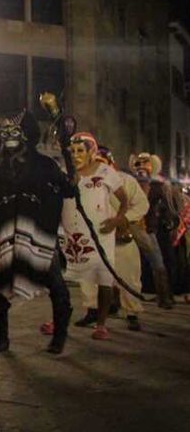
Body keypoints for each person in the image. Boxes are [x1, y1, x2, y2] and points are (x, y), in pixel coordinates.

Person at [0, 110, 74, 354]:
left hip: (39, 233)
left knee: (55, 284)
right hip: (6, 235)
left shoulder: (45, 164)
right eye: (5, 134)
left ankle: (59, 337)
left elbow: (68, 190)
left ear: (25, 136)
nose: (10, 138)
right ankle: (1, 339)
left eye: (15, 132)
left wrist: (66, 174)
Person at [60, 133, 129, 340]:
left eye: (80, 151)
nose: (75, 155)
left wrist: (118, 219)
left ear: (91, 152)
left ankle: (101, 324)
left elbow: (124, 201)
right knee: (62, 278)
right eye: (72, 151)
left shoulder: (105, 171)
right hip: (72, 234)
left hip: (101, 233)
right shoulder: (65, 173)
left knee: (104, 279)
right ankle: (59, 318)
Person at [72, 146, 148, 332]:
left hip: (120, 236)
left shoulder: (125, 180)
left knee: (128, 274)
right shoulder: (81, 181)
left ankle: (132, 313)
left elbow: (142, 204)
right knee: (89, 276)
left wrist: (123, 219)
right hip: (93, 238)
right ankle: (92, 310)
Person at [128, 152, 180, 307]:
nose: (142, 166)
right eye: (139, 163)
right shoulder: (130, 184)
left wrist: (168, 222)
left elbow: (169, 207)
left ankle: (164, 296)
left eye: (146, 163)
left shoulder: (160, 186)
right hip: (130, 226)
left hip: (149, 229)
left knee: (158, 263)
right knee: (126, 264)